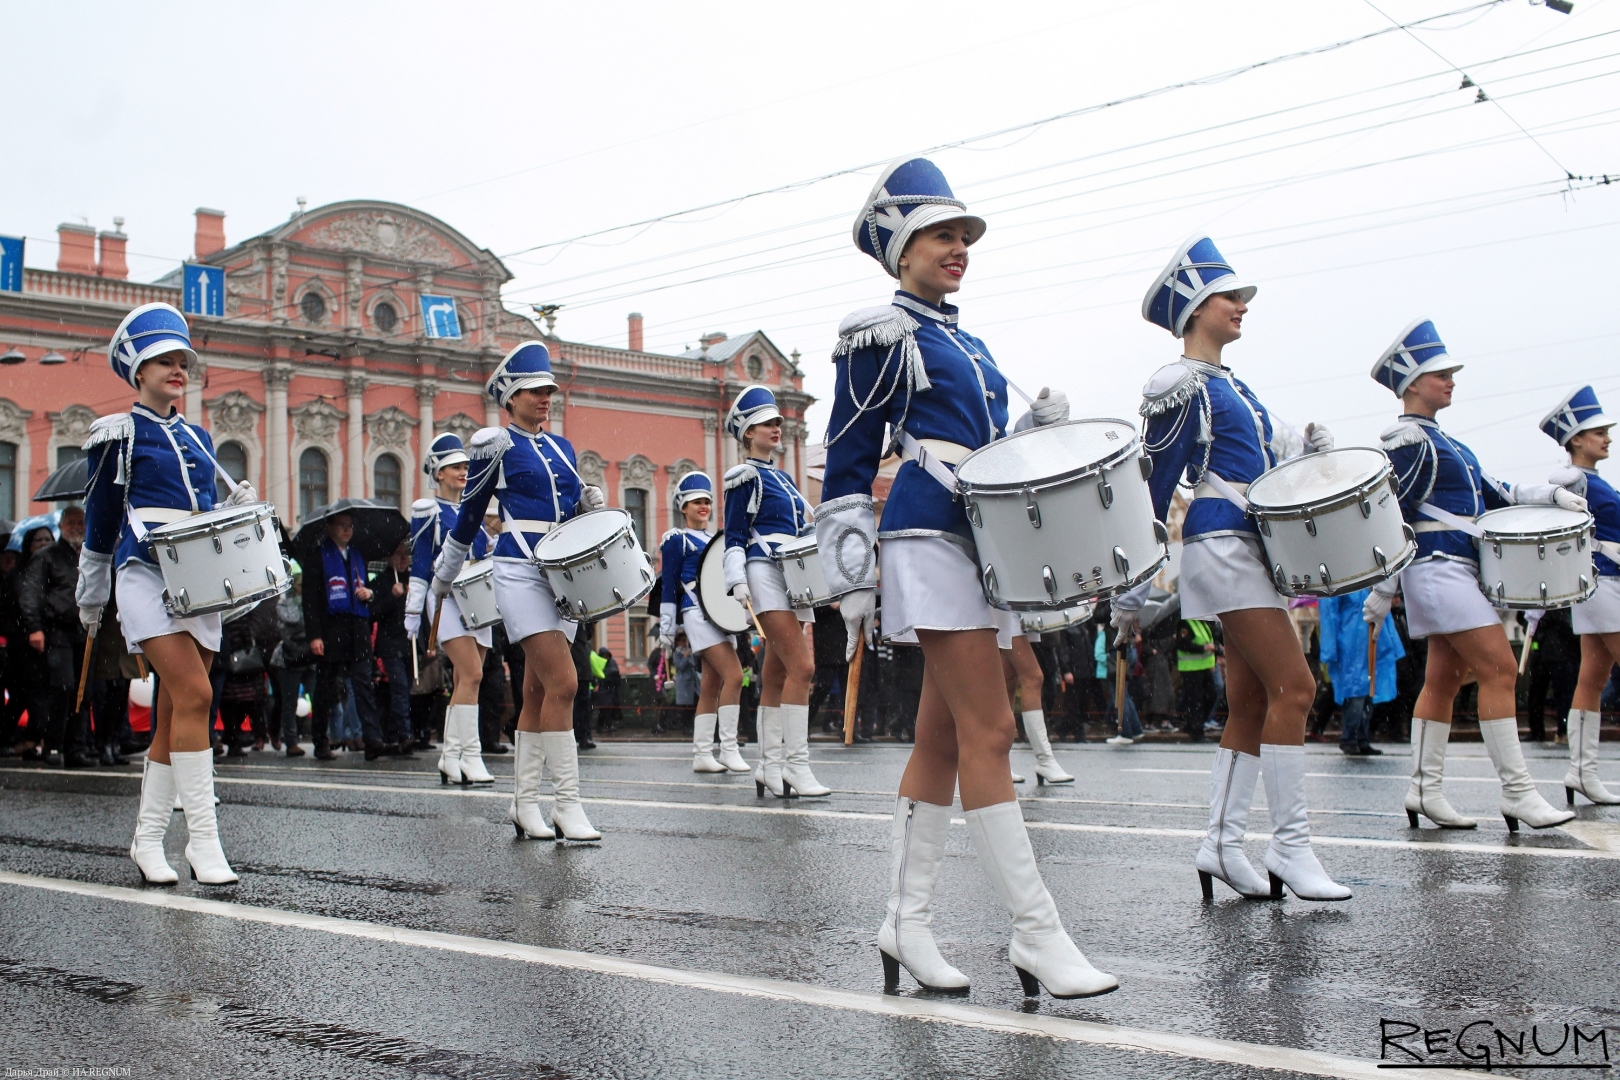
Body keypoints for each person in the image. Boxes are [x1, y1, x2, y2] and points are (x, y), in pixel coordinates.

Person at [820, 157, 1112, 998]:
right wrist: (852, 579)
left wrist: (1030, 428)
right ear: (902, 248)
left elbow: (977, 450)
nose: (959, 248)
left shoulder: (966, 341)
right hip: (923, 532)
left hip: (974, 535)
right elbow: (847, 458)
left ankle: (904, 926)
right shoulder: (881, 333)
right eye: (943, 235)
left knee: (944, 739)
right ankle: (1036, 934)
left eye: (964, 236)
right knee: (991, 734)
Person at [1115, 236, 1348, 902]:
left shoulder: (1234, 386)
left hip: (1253, 549)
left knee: (1249, 701)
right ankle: (1291, 845)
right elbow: (1155, 488)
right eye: (1229, 296)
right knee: (1296, 687)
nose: (1242, 305)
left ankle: (1219, 843)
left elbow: (1266, 470)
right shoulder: (1176, 384)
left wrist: (1309, 454)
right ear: (1195, 307)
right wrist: (1133, 583)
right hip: (1221, 548)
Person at [1361, 321, 1581, 832]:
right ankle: (1518, 794)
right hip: (1437, 569)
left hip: (1455, 569)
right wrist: (1382, 587)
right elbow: (1392, 513)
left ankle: (1422, 790)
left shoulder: (1447, 442)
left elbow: (1496, 489)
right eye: (1441, 373)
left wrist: (1550, 497)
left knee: (1442, 680)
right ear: (1412, 383)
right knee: (1501, 670)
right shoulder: (1408, 439)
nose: (1451, 380)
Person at [79, 302, 255, 884]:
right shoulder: (117, 435)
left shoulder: (199, 437)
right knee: (196, 694)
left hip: (197, 576)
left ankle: (147, 840)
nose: (177, 369)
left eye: (182, 360)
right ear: (138, 370)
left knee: (175, 712)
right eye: (164, 360)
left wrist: (232, 510)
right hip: (143, 574)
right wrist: (91, 594)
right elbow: (102, 520)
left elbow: (201, 511)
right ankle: (204, 844)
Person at [432, 341, 605, 841]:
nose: (545, 398)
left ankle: (524, 803)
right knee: (565, 683)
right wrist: (444, 576)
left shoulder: (563, 448)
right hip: (518, 569)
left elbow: (569, 511)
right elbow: (468, 516)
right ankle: (567, 804)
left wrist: (588, 506)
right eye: (534, 391)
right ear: (510, 396)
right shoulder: (494, 445)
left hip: (563, 571)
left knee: (536, 690)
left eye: (549, 390)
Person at [723, 384, 827, 798]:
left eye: (778, 422)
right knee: (803, 668)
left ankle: (769, 766)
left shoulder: (783, 479)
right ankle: (796, 767)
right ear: (749, 432)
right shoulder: (742, 477)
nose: (777, 427)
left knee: (777, 672)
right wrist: (737, 579)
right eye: (768, 423)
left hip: (793, 576)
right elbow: (733, 535)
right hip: (764, 572)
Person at [1544, 386, 1620, 805]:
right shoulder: (1575, 480)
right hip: (1604, 583)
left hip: (1601, 584)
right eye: (1598, 432)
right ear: (1576, 439)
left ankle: (1581, 772)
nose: (1607, 438)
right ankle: (1581, 771)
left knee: (1593, 677)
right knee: (1594, 677)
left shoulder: (1594, 481)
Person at [407, 434, 493, 783]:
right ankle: (471, 756)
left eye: (465, 466)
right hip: (445, 599)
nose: (463, 471)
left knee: (464, 679)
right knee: (472, 674)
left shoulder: (472, 509)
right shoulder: (429, 511)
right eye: (455, 466)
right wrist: (413, 611)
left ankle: (450, 755)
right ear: (438, 473)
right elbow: (420, 561)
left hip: (479, 599)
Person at [658, 472, 748, 773]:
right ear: (683, 507)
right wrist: (667, 628)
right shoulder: (676, 539)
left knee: (711, 684)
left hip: (720, 617)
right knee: (734, 675)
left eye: (707, 501)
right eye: (697, 501)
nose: (703, 506)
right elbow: (668, 585)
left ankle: (702, 754)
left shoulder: (718, 539)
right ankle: (729, 748)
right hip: (695, 613)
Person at [304, 512, 386, 760]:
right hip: (331, 629)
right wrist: (314, 635)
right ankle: (321, 741)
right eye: (341, 526)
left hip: (357, 627)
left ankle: (372, 739)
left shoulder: (357, 554)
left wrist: (368, 594)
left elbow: (370, 590)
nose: (346, 530)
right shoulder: (318, 555)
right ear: (329, 528)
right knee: (326, 688)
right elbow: (310, 600)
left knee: (363, 685)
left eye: (349, 526)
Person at [19, 506, 97, 767]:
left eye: (80, 522)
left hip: (86, 631)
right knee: (61, 688)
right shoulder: (46, 556)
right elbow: (31, 593)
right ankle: (53, 746)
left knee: (82, 691)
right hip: (57, 630)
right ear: (62, 526)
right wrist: (34, 627)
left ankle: (77, 748)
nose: (76, 526)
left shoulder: (91, 554)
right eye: (71, 522)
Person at [1317, 588, 1404, 755]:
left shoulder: (1366, 579)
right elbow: (1329, 613)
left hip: (1368, 640)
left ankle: (1361, 738)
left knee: (1368, 692)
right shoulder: (1341, 579)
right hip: (1351, 643)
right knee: (1355, 693)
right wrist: (1330, 648)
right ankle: (1350, 738)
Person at [1002, 626, 1072, 784]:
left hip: (1013, 609)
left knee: (1008, 678)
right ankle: (1044, 759)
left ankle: (1000, 762)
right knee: (1033, 677)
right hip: (1005, 609)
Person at [371, 540, 414, 756]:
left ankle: (392, 736)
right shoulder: (381, 582)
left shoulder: (413, 581)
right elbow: (373, 613)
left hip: (409, 643)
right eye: (398, 554)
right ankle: (405, 734)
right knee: (399, 690)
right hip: (389, 644)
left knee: (403, 691)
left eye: (406, 554)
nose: (403, 558)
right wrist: (392, 597)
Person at [270, 559, 312, 757]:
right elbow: (289, 626)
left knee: (318, 695)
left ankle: (322, 737)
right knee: (289, 701)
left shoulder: (313, 602)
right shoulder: (284, 603)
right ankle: (291, 741)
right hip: (289, 657)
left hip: (310, 656)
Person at [1174, 617, 1216, 745]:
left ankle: (1193, 724)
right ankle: (1197, 732)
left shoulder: (1202, 623)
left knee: (1211, 696)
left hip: (1204, 667)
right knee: (1196, 700)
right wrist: (1203, 648)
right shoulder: (1184, 623)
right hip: (1191, 668)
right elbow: (1182, 644)